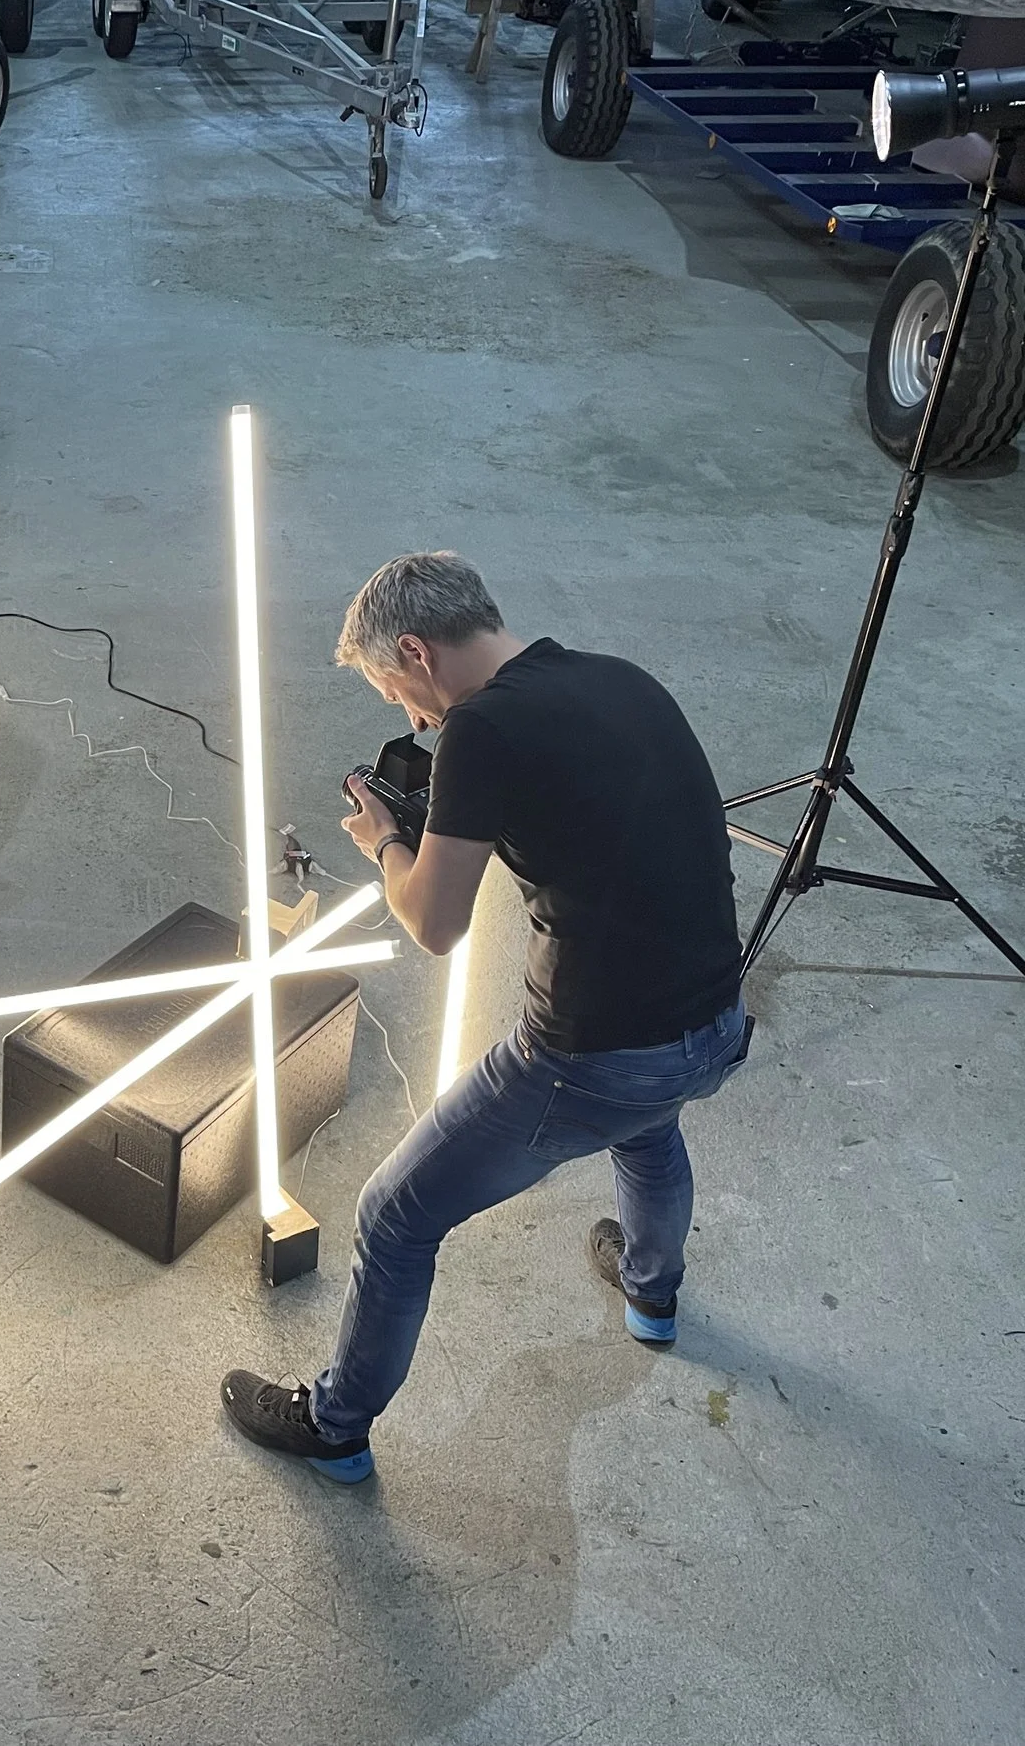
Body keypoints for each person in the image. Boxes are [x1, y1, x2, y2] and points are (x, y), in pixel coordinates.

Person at [222, 552, 749, 1484]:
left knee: (394, 1213)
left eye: (397, 692)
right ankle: (651, 1291)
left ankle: (334, 1426)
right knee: (648, 1127)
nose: (411, 720)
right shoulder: (617, 677)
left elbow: (433, 922)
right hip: (713, 1027)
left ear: (417, 651)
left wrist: (386, 837)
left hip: (594, 1060)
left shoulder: (480, 735)